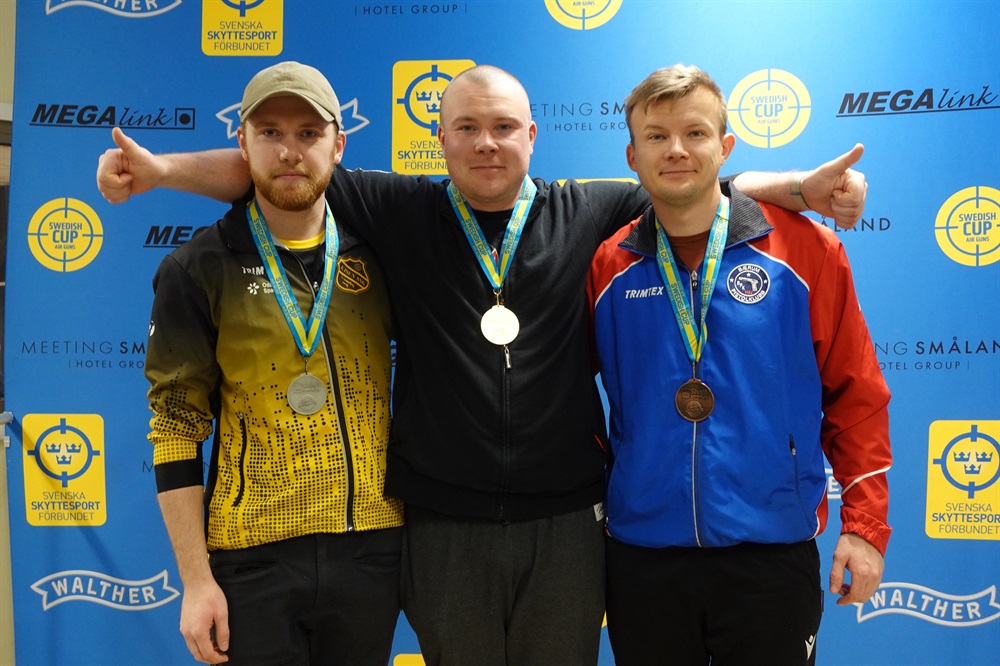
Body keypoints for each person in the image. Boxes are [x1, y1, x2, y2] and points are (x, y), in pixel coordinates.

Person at [99, 64, 869, 665]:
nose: (486, 143)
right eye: (466, 127)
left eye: (503, 126)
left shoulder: (591, 210)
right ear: (440, 139)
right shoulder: (401, 211)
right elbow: (281, 168)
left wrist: (798, 189)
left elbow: (699, 182)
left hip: (566, 523)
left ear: (532, 134)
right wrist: (160, 172)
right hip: (443, 526)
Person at [586, 64, 891, 665]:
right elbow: (567, 395)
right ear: (632, 156)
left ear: (725, 147)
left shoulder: (807, 251)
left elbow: (855, 393)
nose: (676, 150)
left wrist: (864, 526)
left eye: (695, 133)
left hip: (770, 554)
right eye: (656, 136)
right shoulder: (608, 266)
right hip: (642, 557)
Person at [146, 61, 403, 665]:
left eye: (308, 133)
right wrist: (196, 580)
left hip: (371, 548)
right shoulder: (197, 267)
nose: (290, 151)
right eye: (270, 133)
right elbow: (176, 426)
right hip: (251, 558)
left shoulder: (384, 251)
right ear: (241, 142)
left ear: (338, 145)